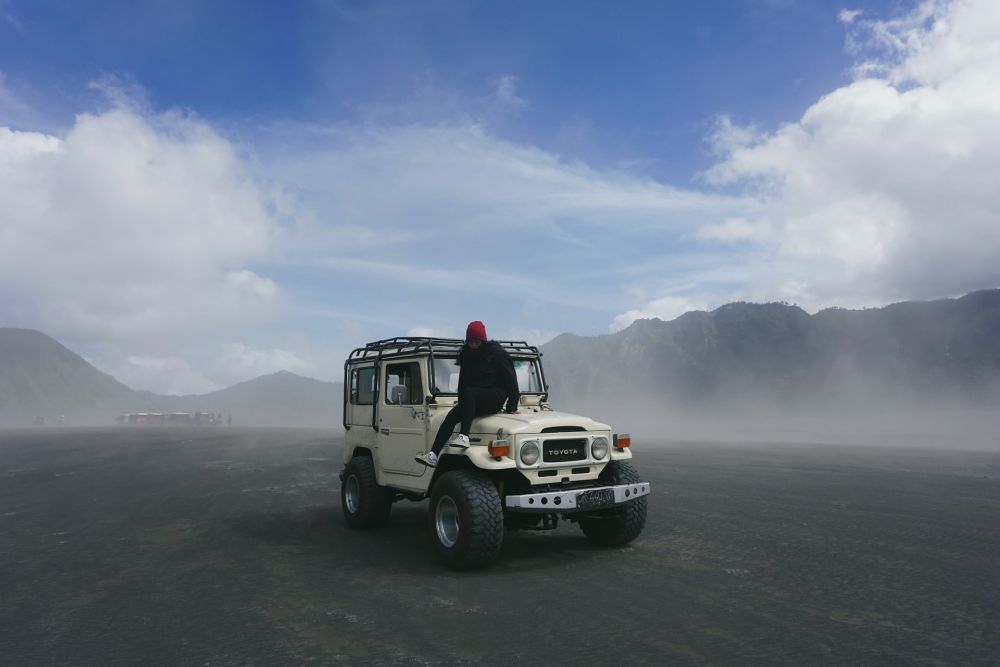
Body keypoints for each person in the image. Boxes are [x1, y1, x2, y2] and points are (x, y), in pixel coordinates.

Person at [415, 321, 519, 467]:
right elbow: (463, 383)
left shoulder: (496, 354)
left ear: (483, 341)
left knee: (470, 393)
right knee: (451, 416)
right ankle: (433, 455)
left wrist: (512, 405)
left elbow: (511, 378)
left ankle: (464, 436)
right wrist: (463, 404)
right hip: (476, 397)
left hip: (496, 395)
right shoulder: (466, 355)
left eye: (477, 342)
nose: (474, 345)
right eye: (471, 341)